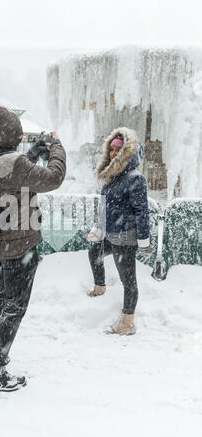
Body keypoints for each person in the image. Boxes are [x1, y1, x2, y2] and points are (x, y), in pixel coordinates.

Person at [0, 105, 66, 393]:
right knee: (15, 307)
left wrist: (32, 152)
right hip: (20, 247)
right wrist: (56, 148)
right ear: (10, 133)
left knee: (1, 299)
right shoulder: (14, 163)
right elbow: (53, 177)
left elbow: (10, 172)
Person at [86, 127, 151, 336]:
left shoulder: (135, 178)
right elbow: (104, 209)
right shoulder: (110, 178)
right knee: (93, 253)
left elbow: (142, 211)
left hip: (124, 239)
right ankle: (100, 288)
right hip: (109, 236)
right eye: (111, 149)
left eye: (118, 149)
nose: (114, 153)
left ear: (127, 152)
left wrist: (143, 240)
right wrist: (98, 230)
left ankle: (127, 322)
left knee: (128, 281)